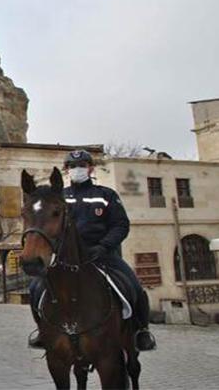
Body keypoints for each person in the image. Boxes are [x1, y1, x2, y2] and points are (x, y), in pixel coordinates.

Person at [28, 150, 156, 352]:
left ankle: (141, 331)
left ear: (91, 168)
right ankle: (43, 331)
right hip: (65, 259)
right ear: (67, 170)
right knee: (35, 287)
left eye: (82, 165)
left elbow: (120, 225)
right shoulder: (59, 197)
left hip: (101, 255)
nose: (77, 170)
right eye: (72, 166)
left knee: (133, 284)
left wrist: (104, 246)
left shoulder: (105, 195)